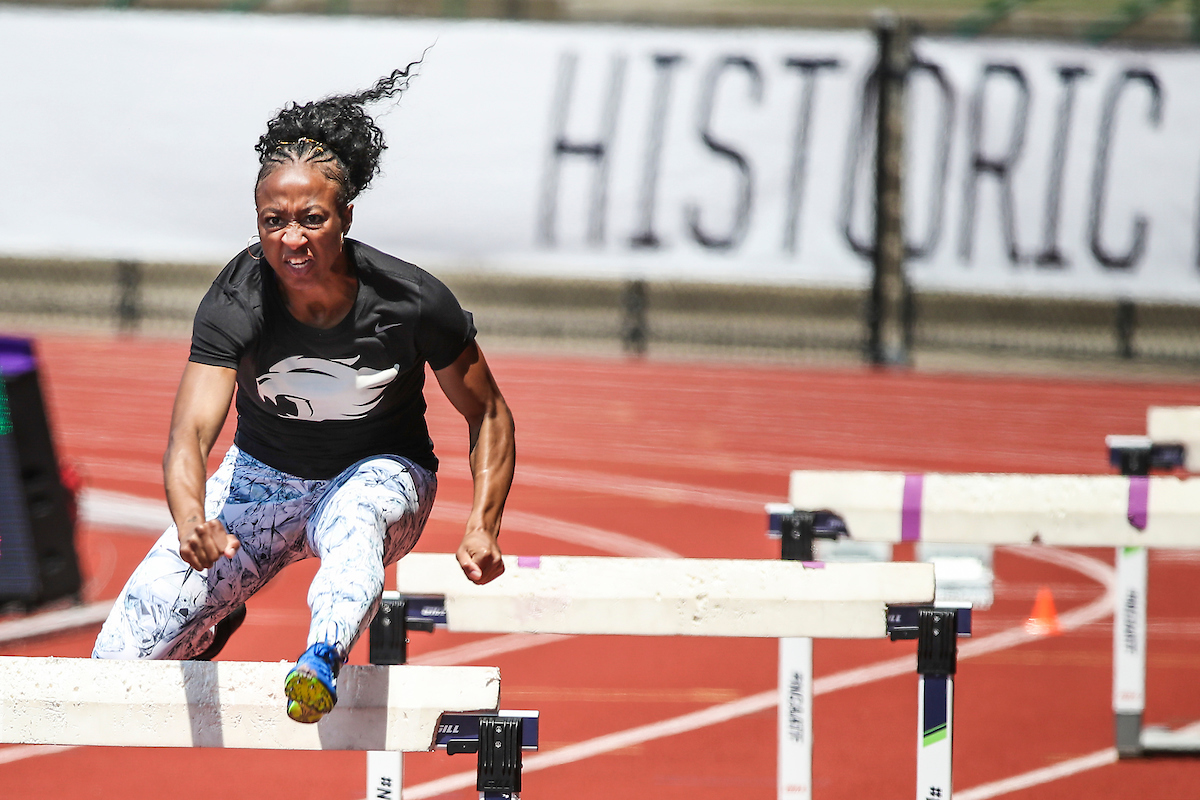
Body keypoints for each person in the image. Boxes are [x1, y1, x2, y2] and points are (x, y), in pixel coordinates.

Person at [92, 64, 515, 725]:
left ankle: (320, 660)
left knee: (354, 520)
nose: (291, 239)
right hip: (262, 480)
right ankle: (209, 629)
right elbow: (190, 435)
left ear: (345, 216)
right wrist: (190, 521)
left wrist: (484, 523)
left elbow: (487, 411)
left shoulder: (410, 300)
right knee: (116, 668)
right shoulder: (237, 299)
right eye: (273, 221)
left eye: (312, 219)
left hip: (381, 475)